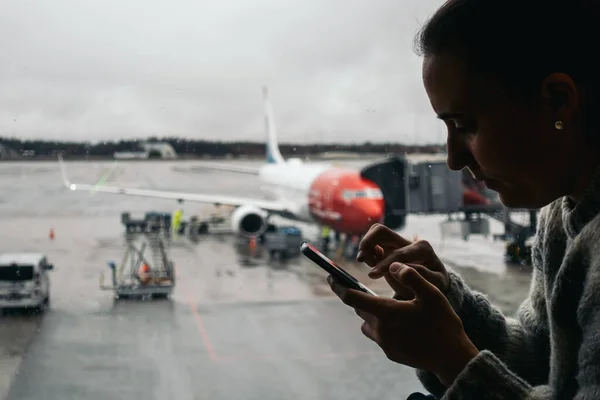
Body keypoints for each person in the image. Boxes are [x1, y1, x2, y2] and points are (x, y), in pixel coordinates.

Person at [327, 0, 600, 398]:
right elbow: (545, 360)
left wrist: (449, 359)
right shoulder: (562, 210)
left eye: (464, 126)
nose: (453, 160)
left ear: (558, 101)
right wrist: (450, 304)